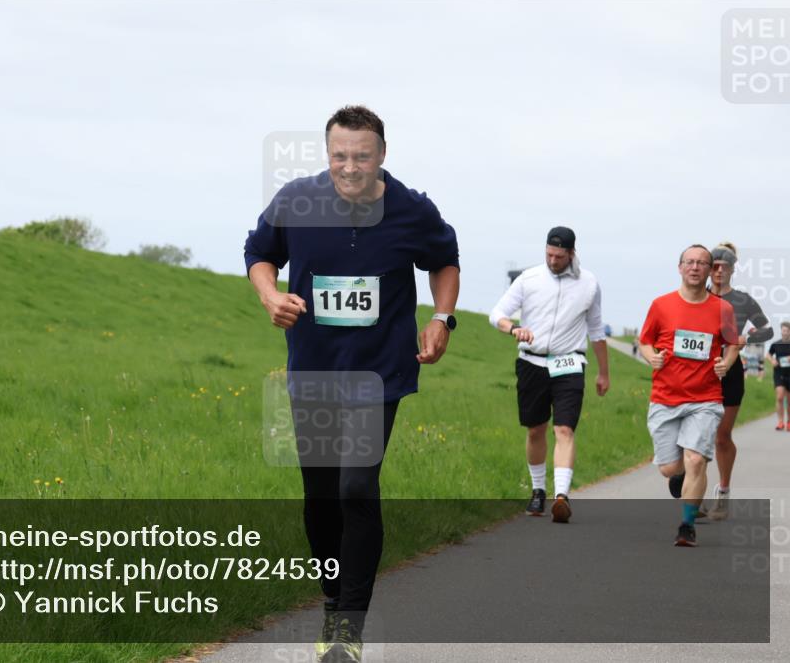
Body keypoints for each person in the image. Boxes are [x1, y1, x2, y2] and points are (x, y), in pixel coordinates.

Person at [244, 105, 460, 663]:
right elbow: (260, 253)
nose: (350, 167)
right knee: (320, 500)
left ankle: (348, 626)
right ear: (327, 154)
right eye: (339, 155)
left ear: (382, 155)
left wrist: (441, 317)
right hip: (313, 370)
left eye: (361, 156)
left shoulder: (412, 209)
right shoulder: (297, 199)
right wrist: (270, 295)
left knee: (356, 488)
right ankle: (332, 597)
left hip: (378, 372)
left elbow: (444, 258)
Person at [489, 227, 609, 523]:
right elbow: (497, 315)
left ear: (571, 253)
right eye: (548, 254)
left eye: (558, 256)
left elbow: (596, 330)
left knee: (564, 430)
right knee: (535, 430)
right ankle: (538, 490)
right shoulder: (529, 279)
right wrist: (513, 328)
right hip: (532, 362)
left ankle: (562, 496)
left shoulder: (589, 283)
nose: (553, 260)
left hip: (570, 363)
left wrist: (603, 372)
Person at [638, 245, 739, 547]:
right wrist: (650, 357)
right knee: (671, 468)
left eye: (702, 263)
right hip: (665, 397)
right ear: (680, 267)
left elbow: (732, 344)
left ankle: (687, 524)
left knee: (696, 460)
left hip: (705, 399)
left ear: (710, 271)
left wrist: (726, 363)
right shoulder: (661, 305)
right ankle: (679, 476)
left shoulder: (723, 309)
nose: (695, 267)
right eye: (690, 262)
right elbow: (644, 341)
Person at [705, 243, 773, 520]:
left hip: (730, 371)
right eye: (715, 266)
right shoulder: (696, 295)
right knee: (695, 436)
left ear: (733, 269)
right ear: (708, 268)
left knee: (721, 437)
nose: (720, 271)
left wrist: (748, 338)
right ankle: (692, 492)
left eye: (725, 267)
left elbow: (767, 329)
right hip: (698, 370)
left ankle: (722, 491)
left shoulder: (743, 300)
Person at [768, 321, 790, 430]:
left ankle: (789, 421)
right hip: (779, 373)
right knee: (780, 397)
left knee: (789, 400)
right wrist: (772, 360)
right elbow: (768, 354)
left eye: (786, 331)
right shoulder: (776, 344)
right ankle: (780, 422)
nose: (784, 333)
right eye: (783, 330)